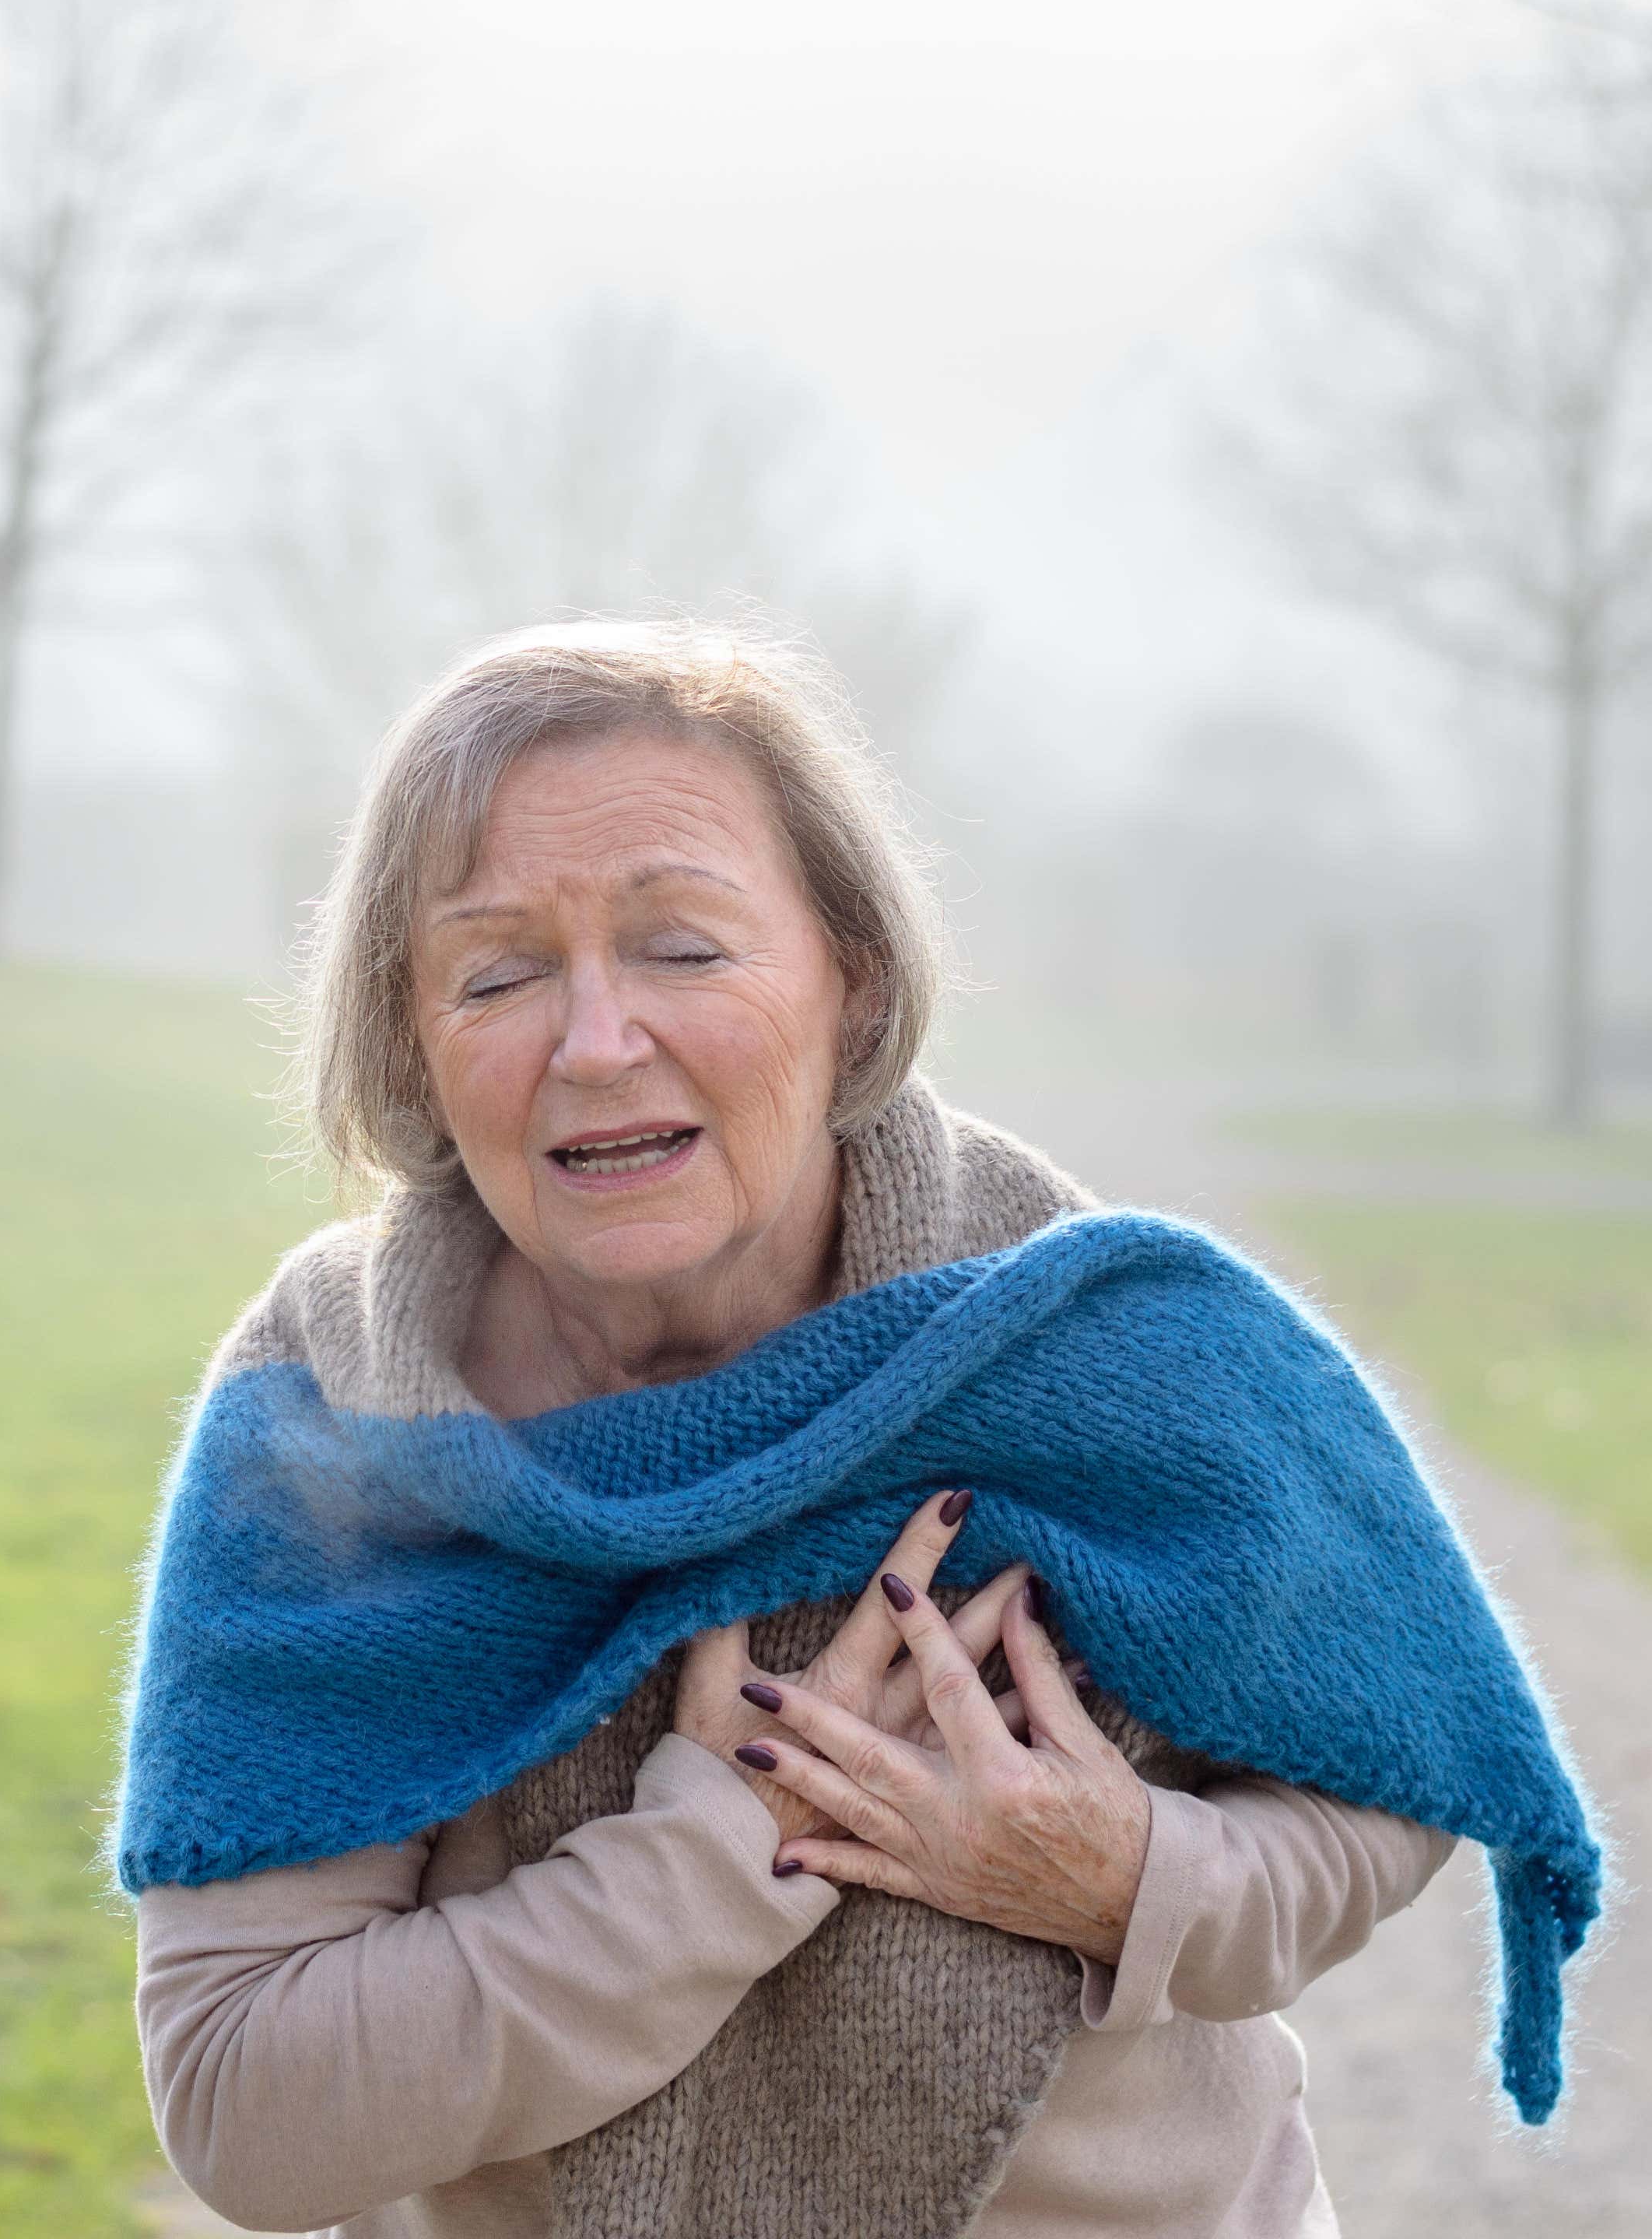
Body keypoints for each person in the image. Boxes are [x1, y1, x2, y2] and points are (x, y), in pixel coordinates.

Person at [131, 620, 1461, 2238]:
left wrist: (1126, 1877)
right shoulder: (337, 1418)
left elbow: (1386, 1787)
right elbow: (246, 2109)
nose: (597, 1041)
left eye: (684, 948)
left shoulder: (1093, 1341)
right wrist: (714, 1851)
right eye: (498, 972)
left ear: (855, 977)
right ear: (414, 1042)